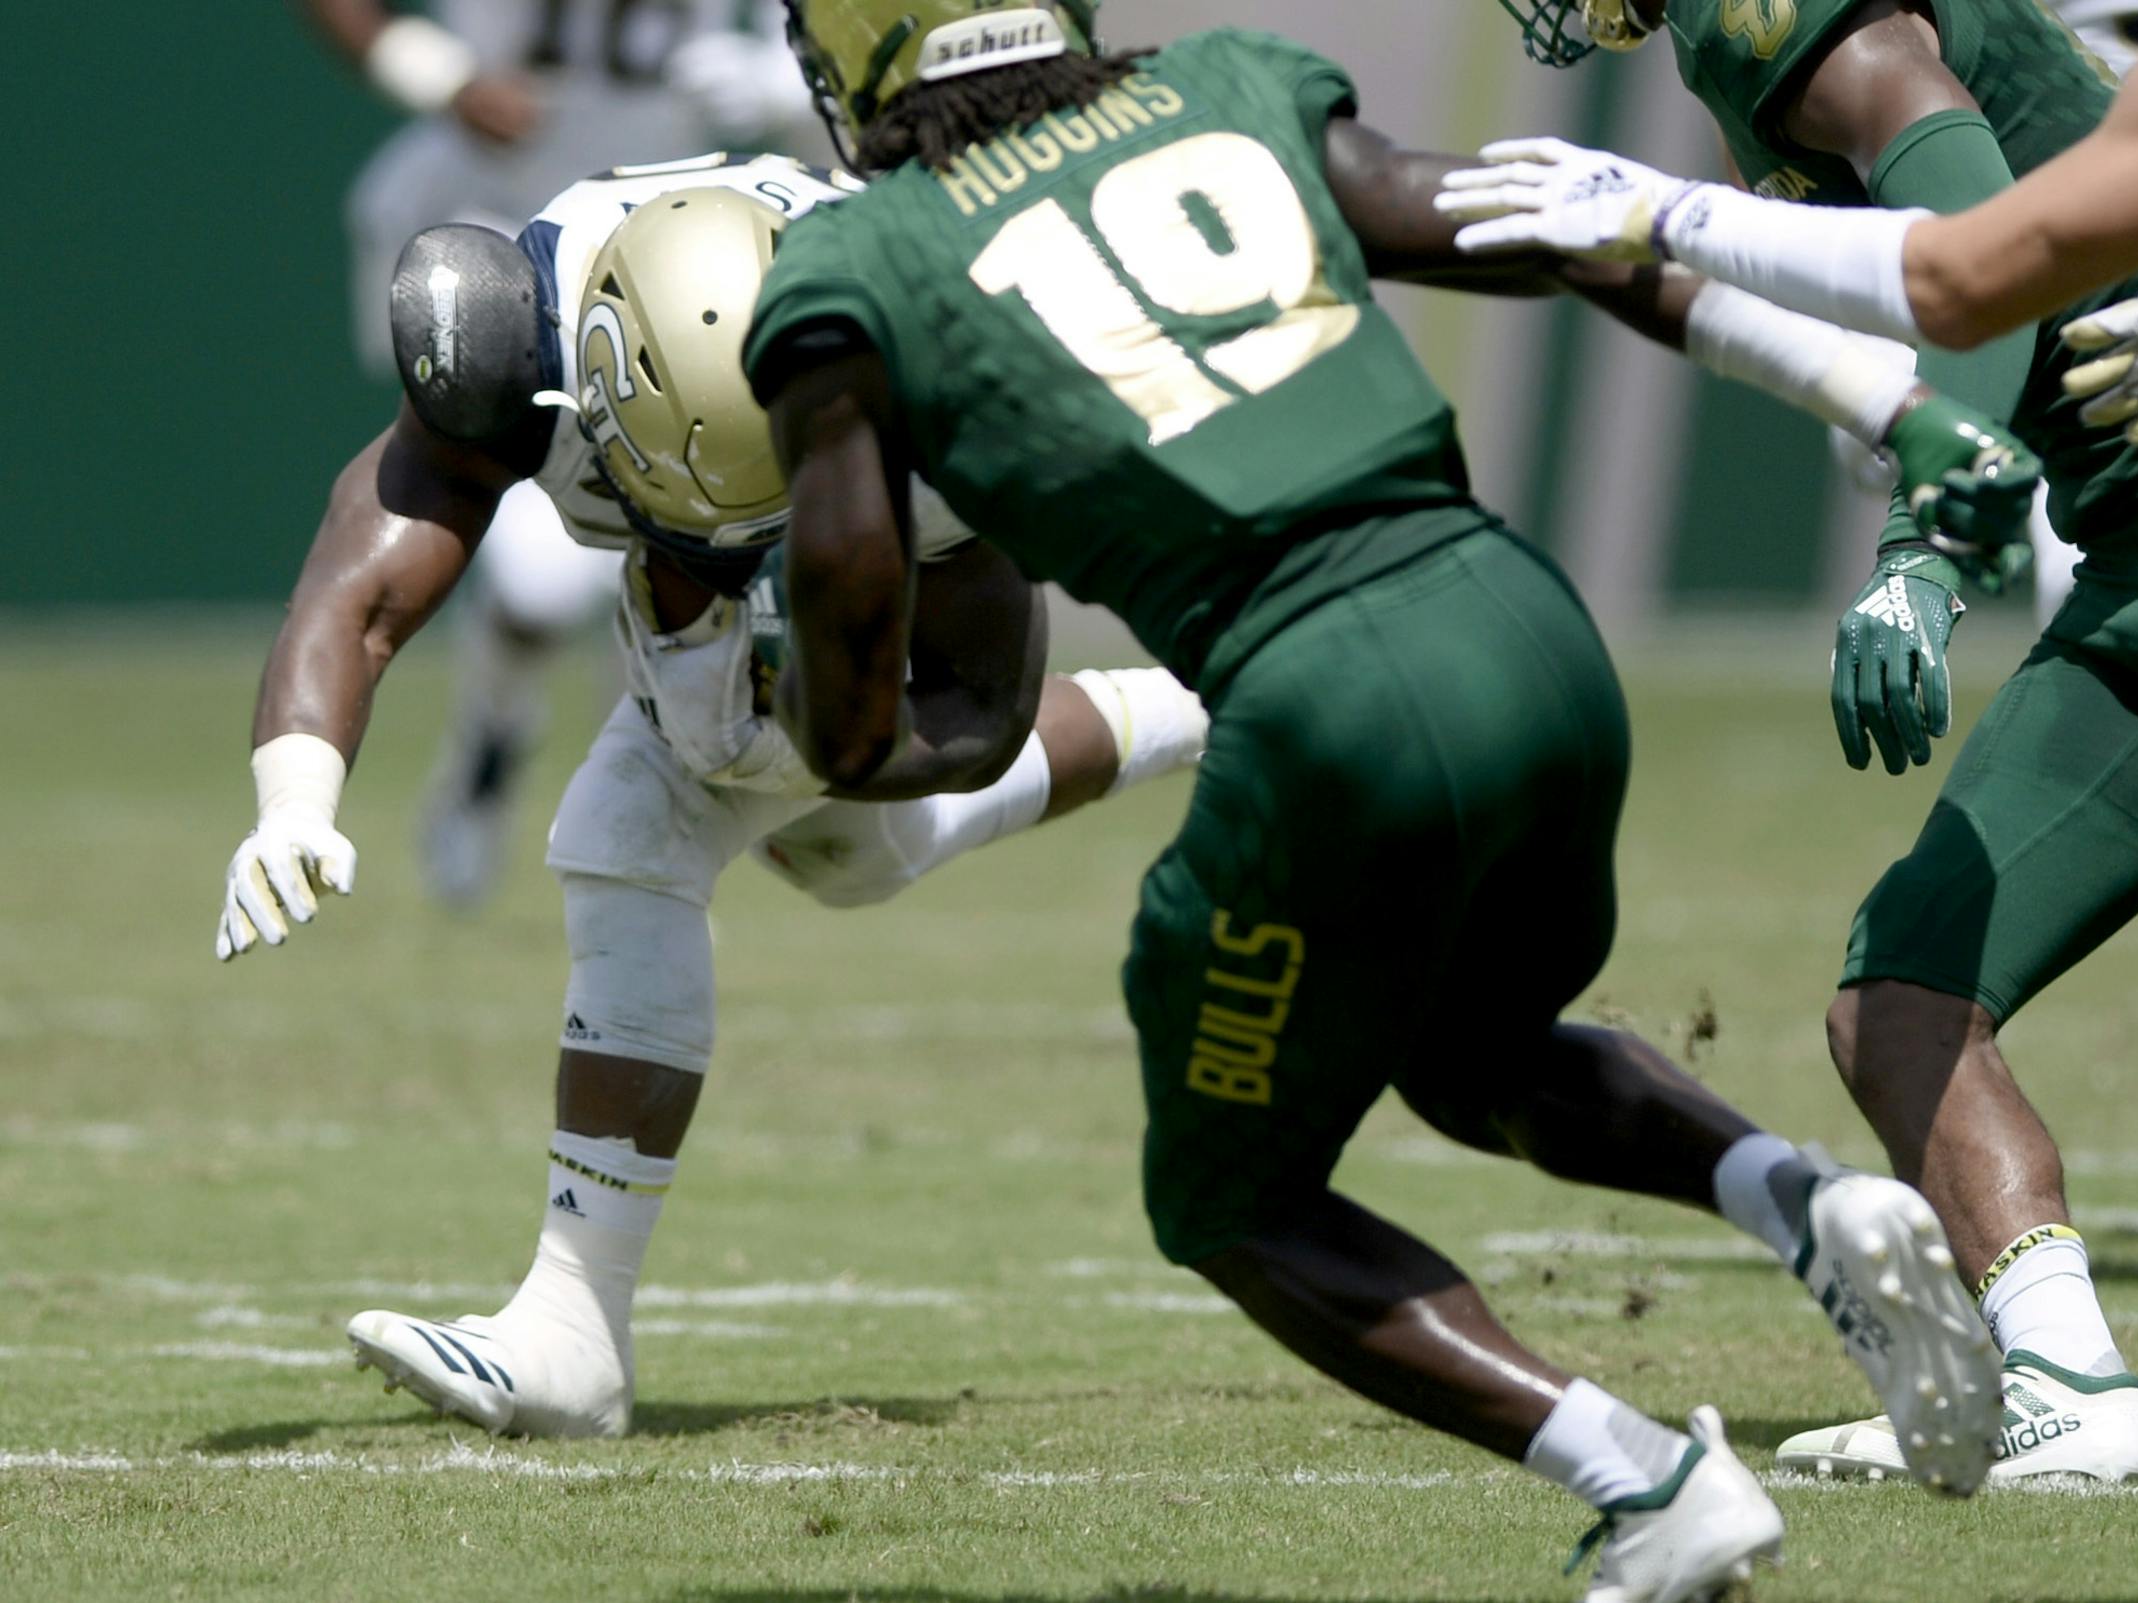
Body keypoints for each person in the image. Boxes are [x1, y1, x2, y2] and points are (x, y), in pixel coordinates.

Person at [741, 6, 2035, 1593]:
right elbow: (1554, 230)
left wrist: (829, 743)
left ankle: (1650, 1485)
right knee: (1472, 1053)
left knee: (1232, 1196)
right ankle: (1814, 1206)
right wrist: (1889, 406)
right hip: (1530, 629)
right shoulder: (1218, 90)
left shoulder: (853, 270)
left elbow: (854, 649)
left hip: (1329, 699)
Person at [214, 151, 1211, 1438]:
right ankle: (1218, 700)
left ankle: (574, 1330)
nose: (722, 551)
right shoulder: (515, 330)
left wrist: (825, 728)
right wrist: (293, 797)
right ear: (594, 374)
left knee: (644, 819)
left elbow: (975, 713)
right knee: (854, 854)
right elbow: (357, 591)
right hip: (754, 458)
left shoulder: (943, 384)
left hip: (861, 535)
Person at [1454, 0, 2138, 1482]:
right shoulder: (1727, 47)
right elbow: (1953, 262)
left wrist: (1920, 535)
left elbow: (1969, 224)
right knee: (1908, 987)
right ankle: (2066, 1379)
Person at [300, 0, 813, 905]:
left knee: (677, 537)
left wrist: (779, 74)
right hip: (501, 230)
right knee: (535, 578)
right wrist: (442, 78)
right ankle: (489, 747)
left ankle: (653, 815)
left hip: (680, 244)